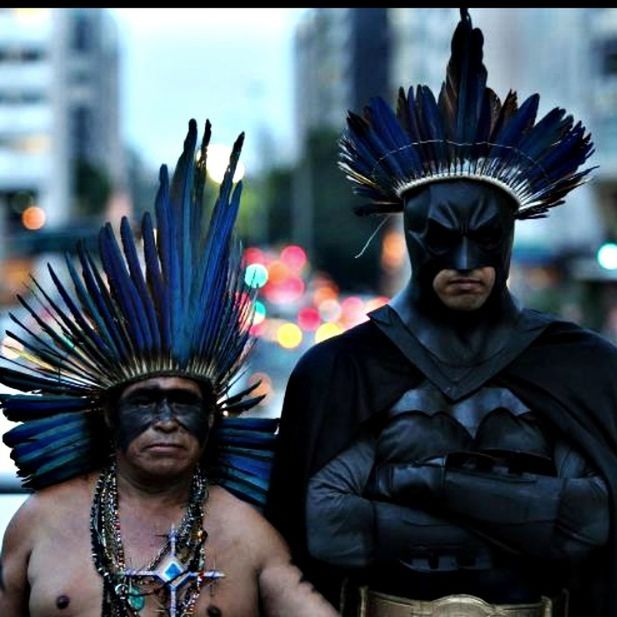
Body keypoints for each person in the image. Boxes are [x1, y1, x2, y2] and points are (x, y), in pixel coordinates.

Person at [266, 9, 617, 617]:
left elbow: (592, 525)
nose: (463, 261)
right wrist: (528, 509)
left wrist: (416, 482)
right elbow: (322, 531)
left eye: (484, 238)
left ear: (508, 238)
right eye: (440, 236)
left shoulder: (582, 370)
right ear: (411, 235)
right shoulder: (338, 374)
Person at [0, 119, 339, 617]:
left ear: (212, 417)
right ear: (110, 414)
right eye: (145, 400)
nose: (165, 420)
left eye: (184, 402)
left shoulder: (246, 535)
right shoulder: (41, 523)